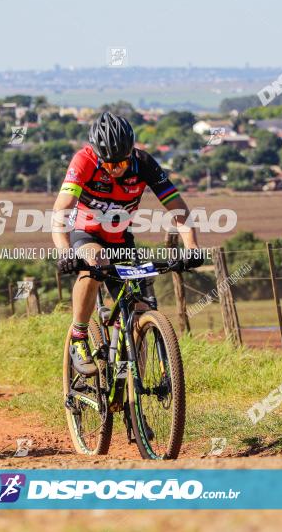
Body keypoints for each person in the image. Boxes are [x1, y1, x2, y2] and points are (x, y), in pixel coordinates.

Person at [50, 112, 204, 376]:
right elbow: (61, 210)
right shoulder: (84, 160)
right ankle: (79, 337)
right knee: (95, 263)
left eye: (121, 162)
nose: (116, 169)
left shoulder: (143, 163)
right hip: (85, 233)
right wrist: (65, 252)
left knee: (139, 309)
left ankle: (131, 391)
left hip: (121, 240)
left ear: (130, 151)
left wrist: (191, 248)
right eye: (108, 164)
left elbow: (177, 207)